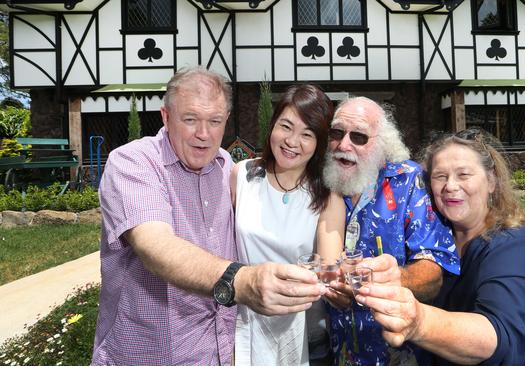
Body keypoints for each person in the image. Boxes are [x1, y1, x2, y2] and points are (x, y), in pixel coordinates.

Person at [92, 67, 325, 365]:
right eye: (190, 120)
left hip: (220, 354)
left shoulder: (226, 167)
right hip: (149, 354)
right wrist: (241, 281)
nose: (203, 134)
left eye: (215, 121)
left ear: (226, 120)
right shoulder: (134, 162)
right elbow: (155, 245)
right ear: (165, 116)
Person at [356, 128, 525, 365]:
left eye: (464, 174)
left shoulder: (517, 246)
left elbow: (501, 338)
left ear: (491, 181)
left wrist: (420, 323)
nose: (451, 186)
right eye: (440, 176)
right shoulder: (431, 244)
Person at [321, 97, 460, 365]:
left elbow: (433, 272)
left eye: (359, 136)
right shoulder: (326, 182)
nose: (343, 144)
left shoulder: (409, 181)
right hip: (340, 352)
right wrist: (332, 286)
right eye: (336, 133)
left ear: (382, 144)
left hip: (398, 353)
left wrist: (391, 280)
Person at [230, 84, 345, 365]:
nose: (293, 141)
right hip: (246, 330)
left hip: (306, 337)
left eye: (307, 134)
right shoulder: (241, 176)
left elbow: (330, 270)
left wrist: (345, 281)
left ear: (318, 143)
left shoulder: (327, 195)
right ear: (272, 125)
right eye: (286, 126)